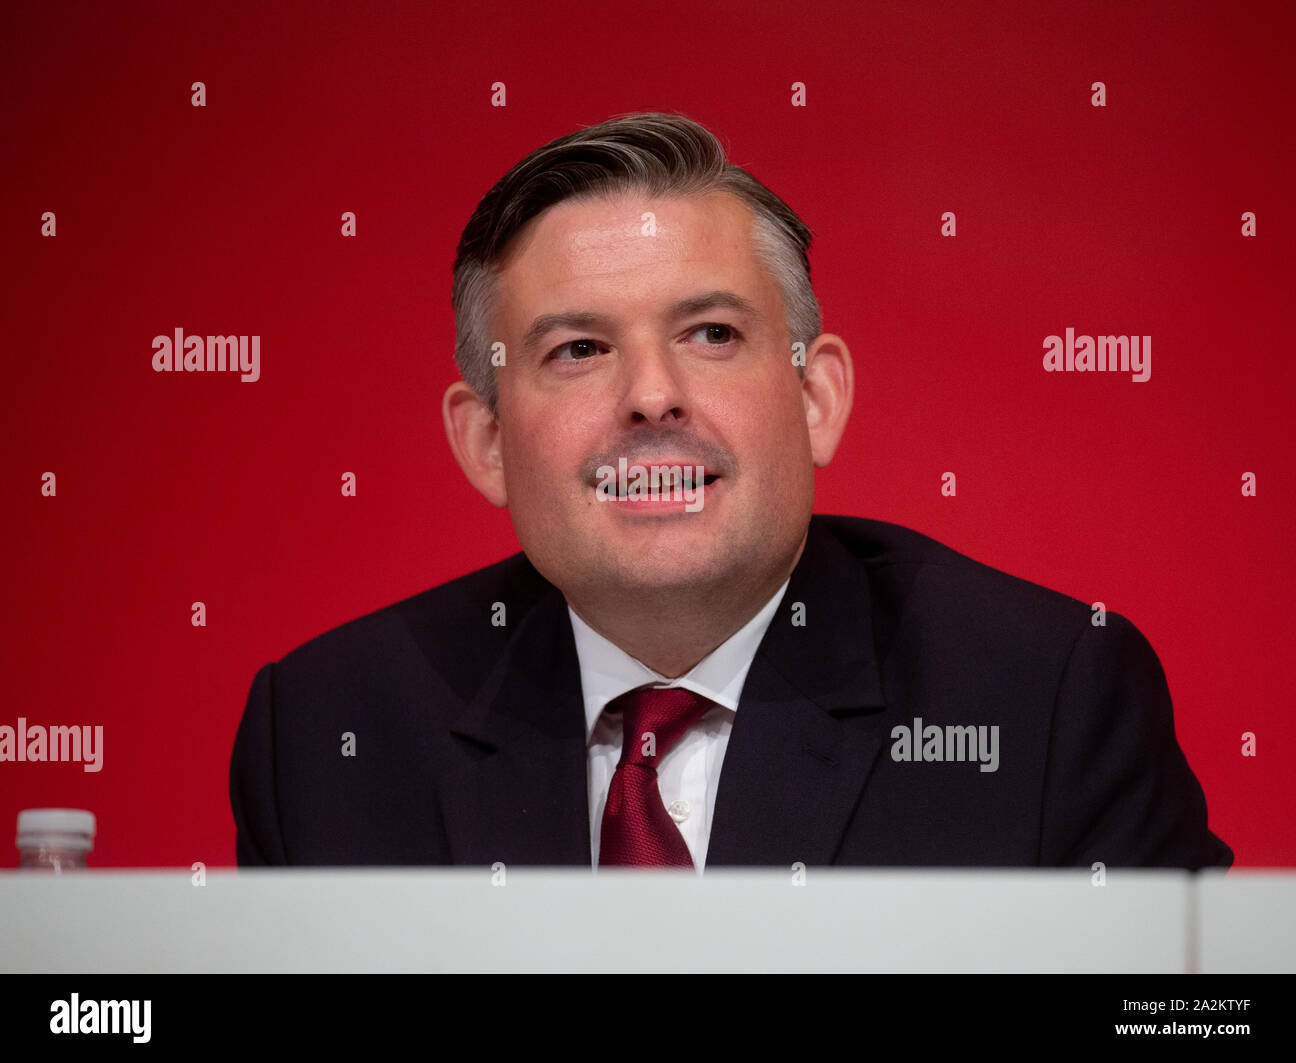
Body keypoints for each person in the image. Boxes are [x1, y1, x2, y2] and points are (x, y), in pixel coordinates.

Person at [230, 111, 1231, 871]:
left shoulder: (1042, 698)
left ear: (815, 394)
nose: (652, 395)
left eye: (710, 334)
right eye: (578, 349)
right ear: (486, 440)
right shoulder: (329, 729)